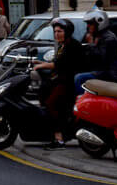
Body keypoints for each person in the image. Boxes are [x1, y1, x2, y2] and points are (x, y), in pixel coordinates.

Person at [33, 18, 84, 149]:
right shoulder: (63, 45)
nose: (56, 34)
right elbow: (57, 63)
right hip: (62, 80)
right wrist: (39, 63)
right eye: (55, 31)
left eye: (60, 31)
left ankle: (59, 139)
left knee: (52, 104)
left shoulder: (72, 45)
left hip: (69, 83)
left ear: (67, 32)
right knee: (44, 95)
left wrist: (43, 65)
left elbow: (60, 64)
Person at [74, 9, 117, 95]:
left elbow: (103, 59)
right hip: (97, 71)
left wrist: (91, 44)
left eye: (90, 23)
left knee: (79, 78)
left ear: (99, 22)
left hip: (107, 73)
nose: (88, 26)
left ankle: (81, 102)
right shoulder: (94, 35)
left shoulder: (109, 39)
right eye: (87, 23)